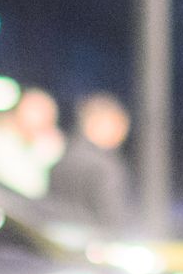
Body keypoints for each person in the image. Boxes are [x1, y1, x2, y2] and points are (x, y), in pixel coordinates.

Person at [46, 92, 133, 228]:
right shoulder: (104, 167)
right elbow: (112, 219)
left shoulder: (62, 160)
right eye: (118, 125)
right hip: (97, 238)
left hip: (60, 237)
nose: (122, 134)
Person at [0, 87, 65, 198]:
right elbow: (30, 188)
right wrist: (44, 154)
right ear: (18, 112)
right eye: (36, 112)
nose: (41, 120)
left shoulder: (44, 147)